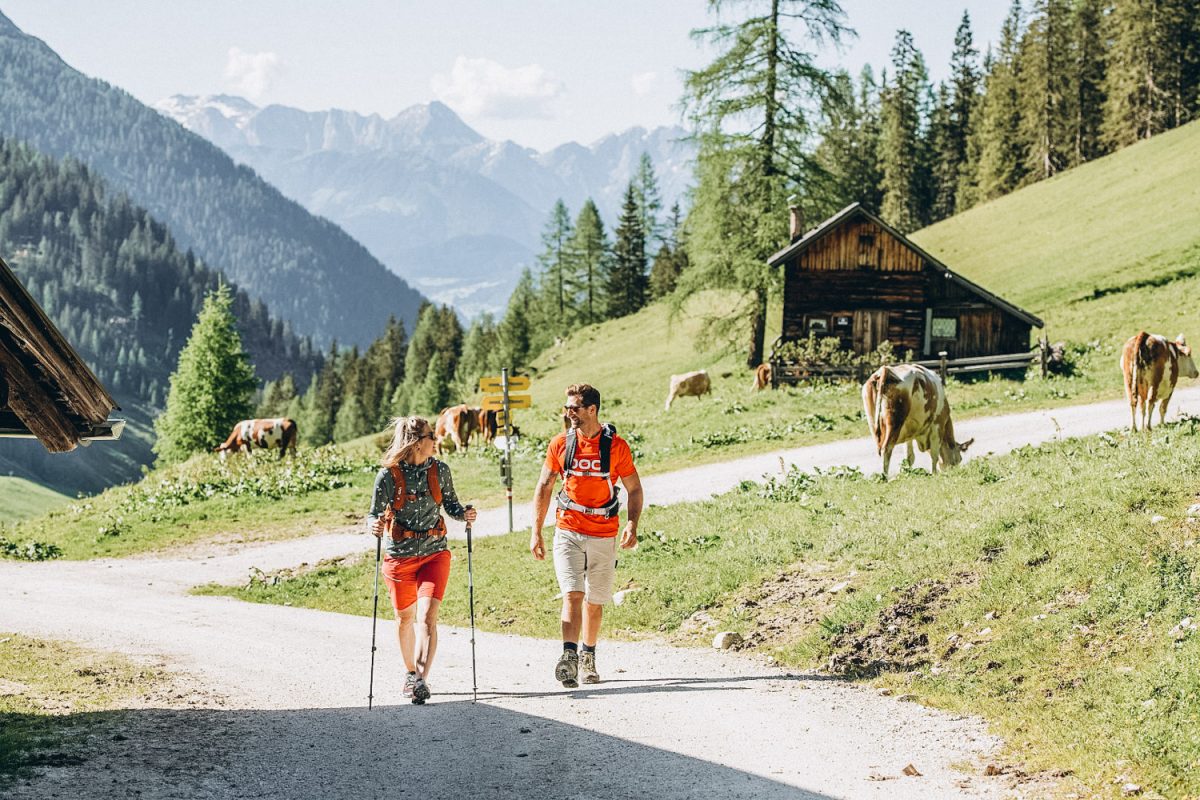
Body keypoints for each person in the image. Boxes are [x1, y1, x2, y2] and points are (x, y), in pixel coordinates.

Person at [530, 383, 642, 687]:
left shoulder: (616, 447)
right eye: (567, 408)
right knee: (573, 594)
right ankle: (569, 657)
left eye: (575, 408)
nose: (569, 413)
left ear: (592, 410)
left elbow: (633, 488)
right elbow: (544, 486)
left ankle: (588, 654)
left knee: (595, 601)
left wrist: (632, 524)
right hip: (567, 529)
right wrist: (536, 530)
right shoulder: (560, 444)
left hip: (604, 532)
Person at [367, 416, 477, 704]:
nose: (435, 440)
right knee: (405, 619)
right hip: (399, 557)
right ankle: (409, 672)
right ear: (416, 442)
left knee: (427, 617)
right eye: (430, 436)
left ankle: (420, 679)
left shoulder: (440, 470)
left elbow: (451, 504)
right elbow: (373, 515)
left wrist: (464, 513)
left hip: (434, 553)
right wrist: (373, 526)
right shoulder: (388, 476)